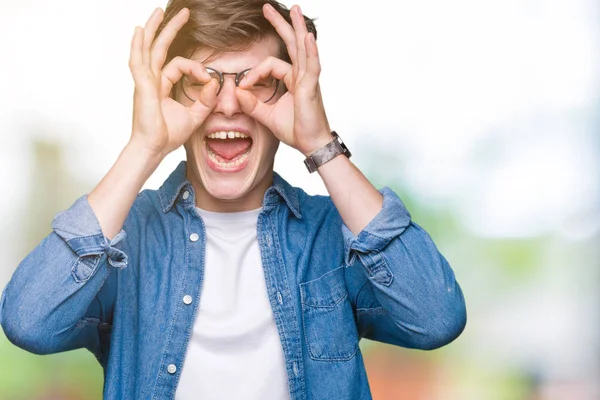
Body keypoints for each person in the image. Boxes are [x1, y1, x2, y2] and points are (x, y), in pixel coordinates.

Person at [0, 0, 466, 398]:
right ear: (169, 91)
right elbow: (29, 321)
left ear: (289, 91)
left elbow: (436, 317)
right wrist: (144, 146)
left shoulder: (332, 233)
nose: (226, 104)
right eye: (203, 79)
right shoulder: (127, 237)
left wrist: (319, 141)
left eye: (254, 80)